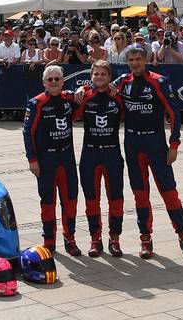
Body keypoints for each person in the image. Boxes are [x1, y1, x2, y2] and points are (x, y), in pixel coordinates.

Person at [113, 45, 183, 259]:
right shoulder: (122, 81)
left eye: (138, 59)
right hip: (132, 144)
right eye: (131, 59)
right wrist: (81, 91)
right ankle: (145, 239)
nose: (135, 63)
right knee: (140, 195)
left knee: (169, 193)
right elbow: (99, 87)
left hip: (156, 144)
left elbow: (174, 113)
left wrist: (174, 144)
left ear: (146, 59)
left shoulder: (159, 81)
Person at [23, 65, 81, 256]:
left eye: (58, 79)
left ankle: (70, 238)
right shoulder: (36, 103)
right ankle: (49, 240)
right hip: (46, 160)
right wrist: (32, 159)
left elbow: (88, 93)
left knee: (70, 200)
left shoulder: (68, 99)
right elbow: (28, 132)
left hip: (66, 158)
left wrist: (80, 90)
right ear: (44, 83)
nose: (54, 82)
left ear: (63, 82)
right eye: (50, 80)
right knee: (47, 201)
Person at [74, 61, 125, 257]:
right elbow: (70, 112)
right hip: (90, 154)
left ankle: (115, 238)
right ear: (91, 76)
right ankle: (95, 239)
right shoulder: (85, 96)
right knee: (91, 199)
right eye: (96, 74)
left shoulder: (117, 97)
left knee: (116, 198)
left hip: (112, 153)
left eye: (103, 74)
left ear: (109, 77)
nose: (99, 77)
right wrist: (82, 88)